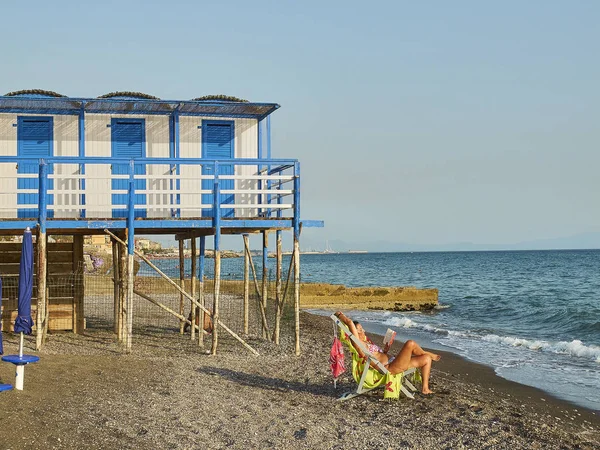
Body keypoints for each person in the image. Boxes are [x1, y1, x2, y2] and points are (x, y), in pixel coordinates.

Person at [334, 311, 440, 395]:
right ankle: (427, 352)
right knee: (410, 343)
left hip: (395, 362)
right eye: (359, 330)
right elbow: (349, 322)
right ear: (353, 333)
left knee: (426, 359)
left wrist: (385, 349)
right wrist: (339, 314)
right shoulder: (358, 345)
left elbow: (379, 356)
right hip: (389, 368)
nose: (363, 331)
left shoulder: (367, 342)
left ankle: (425, 388)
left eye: (362, 329)